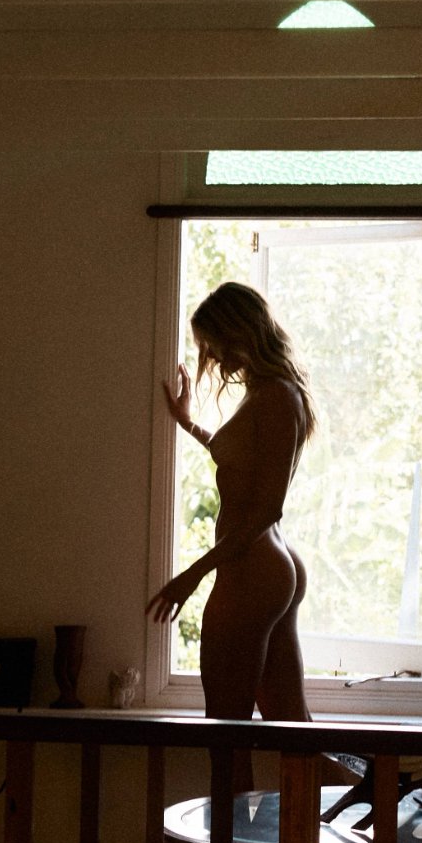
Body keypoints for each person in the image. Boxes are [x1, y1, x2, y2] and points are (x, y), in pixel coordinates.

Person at [148, 281, 315, 721]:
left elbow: (268, 508)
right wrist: (188, 424)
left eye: (214, 345)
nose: (214, 358)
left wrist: (192, 575)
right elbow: (243, 462)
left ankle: (375, 770)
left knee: (225, 731)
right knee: (291, 733)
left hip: (252, 572)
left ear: (240, 330)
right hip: (264, 569)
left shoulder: (277, 396)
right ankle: (359, 773)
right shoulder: (268, 392)